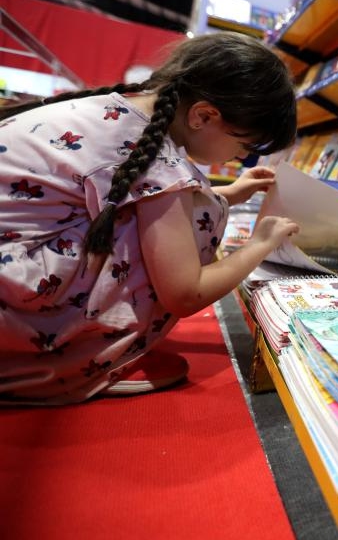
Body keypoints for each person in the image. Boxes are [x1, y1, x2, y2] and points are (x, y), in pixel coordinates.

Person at [0, 31, 300, 404]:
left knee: (196, 206)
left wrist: (228, 195)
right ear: (203, 115)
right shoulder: (161, 164)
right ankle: (75, 364)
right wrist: (261, 244)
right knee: (197, 216)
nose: (241, 158)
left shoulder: (119, 110)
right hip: (13, 312)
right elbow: (186, 293)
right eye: (244, 146)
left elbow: (117, 194)